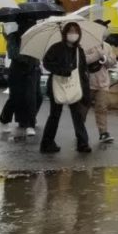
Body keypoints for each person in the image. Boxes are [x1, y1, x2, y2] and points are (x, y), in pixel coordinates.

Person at [39, 22, 91, 153]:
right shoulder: (56, 48)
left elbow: (83, 69)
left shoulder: (79, 50)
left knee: (77, 115)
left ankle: (83, 143)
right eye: (70, 31)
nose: (73, 34)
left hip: (75, 86)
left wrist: (85, 89)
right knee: (55, 115)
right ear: (65, 33)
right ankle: (47, 143)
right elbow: (46, 63)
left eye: (76, 31)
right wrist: (61, 70)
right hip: (57, 86)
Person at [83, 20, 118, 144]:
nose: (104, 31)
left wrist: (106, 59)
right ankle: (80, 131)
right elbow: (83, 61)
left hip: (103, 83)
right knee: (83, 109)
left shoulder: (107, 46)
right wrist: (97, 55)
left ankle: (103, 132)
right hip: (88, 82)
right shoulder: (85, 44)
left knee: (102, 108)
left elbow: (113, 62)